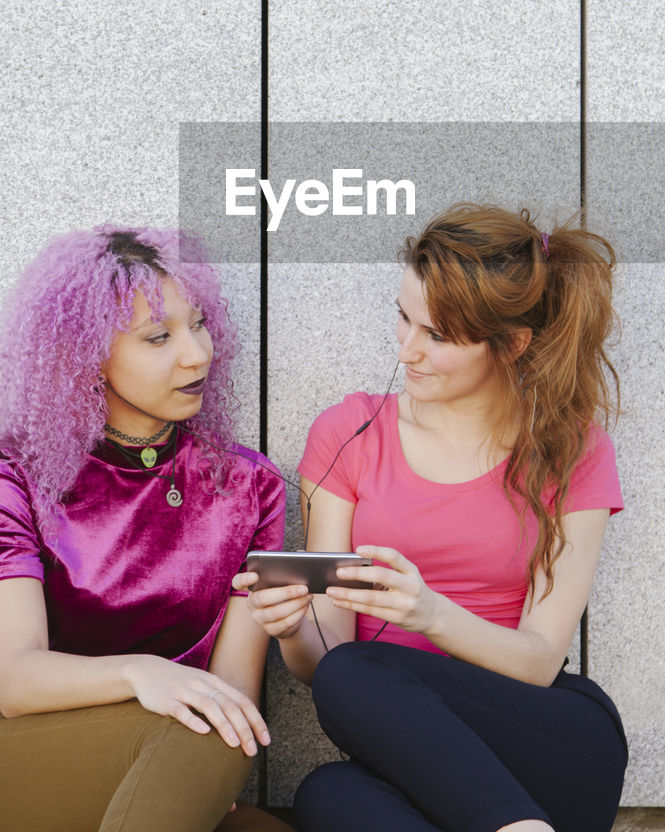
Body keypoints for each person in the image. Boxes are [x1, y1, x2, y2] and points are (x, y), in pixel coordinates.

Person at [237, 204, 628, 832]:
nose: (408, 349)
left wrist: (430, 613)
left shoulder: (572, 448)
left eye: (438, 336)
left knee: (357, 677)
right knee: (327, 796)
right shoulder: (349, 435)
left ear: (511, 344)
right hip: (415, 767)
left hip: (550, 741)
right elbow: (327, 664)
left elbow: (538, 662)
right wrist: (289, 630)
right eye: (404, 317)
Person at [0, 225, 292, 832]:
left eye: (199, 323)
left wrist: (201, 762)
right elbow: (19, 679)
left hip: (171, 756)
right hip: (16, 750)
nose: (197, 353)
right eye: (159, 336)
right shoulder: (20, 475)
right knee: (206, 737)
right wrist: (142, 673)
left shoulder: (249, 486)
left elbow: (233, 701)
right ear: (86, 355)